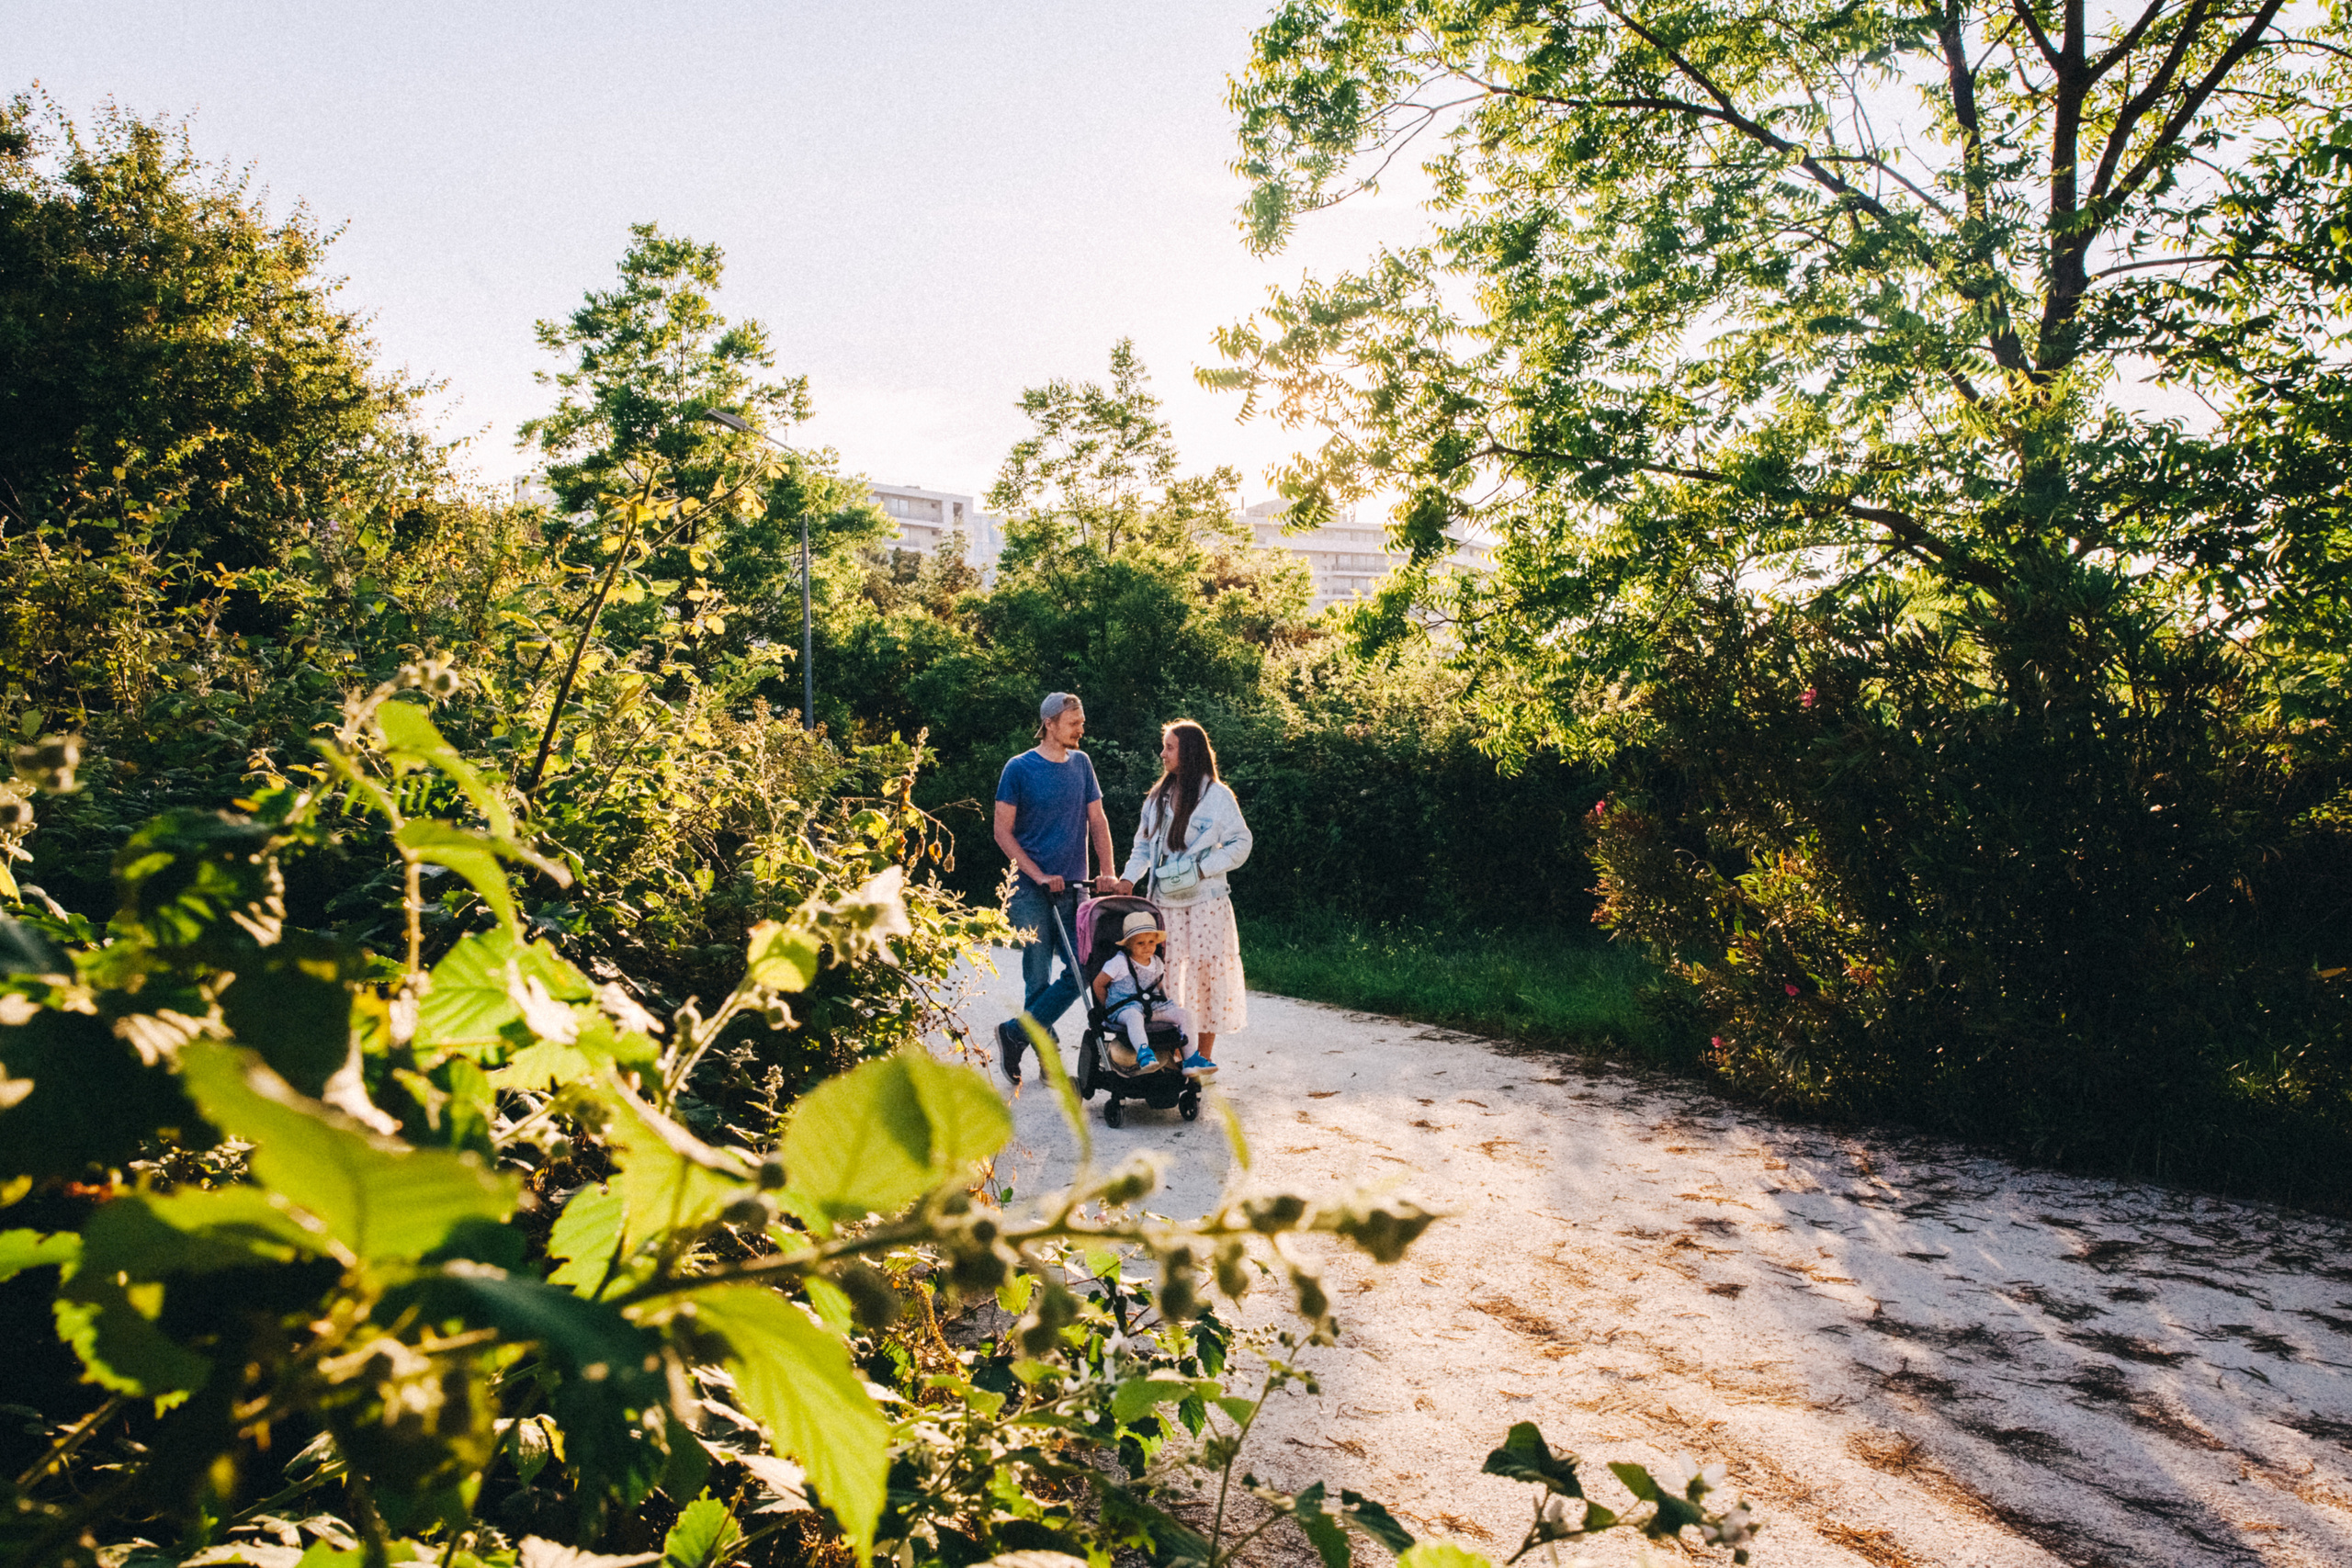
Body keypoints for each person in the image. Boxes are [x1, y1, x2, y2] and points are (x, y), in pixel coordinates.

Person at [992, 692, 1120, 1083]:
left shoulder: (1082, 764)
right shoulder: (1019, 769)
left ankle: (1014, 1034)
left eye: (1081, 722)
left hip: (1076, 889)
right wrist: (1038, 875)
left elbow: (1097, 820)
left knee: (1084, 968)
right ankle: (1048, 1063)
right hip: (1030, 890)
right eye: (1073, 723)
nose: (1081, 729)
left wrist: (1108, 871)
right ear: (1049, 724)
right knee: (1037, 977)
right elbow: (1002, 832)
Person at [1119, 719, 1251, 1077]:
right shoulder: (1157, 798)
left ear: (1189, 752)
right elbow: (1143, 847)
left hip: (1207, 902)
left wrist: (1205, 867)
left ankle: (1201, 1057)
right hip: (1166, 903)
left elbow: (1242, 842)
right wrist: (1128, 880)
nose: (1162, 754)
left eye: (1169, 747)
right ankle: (1174, 1056)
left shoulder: (1218, 797)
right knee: (1165, 977)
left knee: (1208, 975)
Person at [1092, 911, 1191, 1073]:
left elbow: (1159, 987)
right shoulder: (1119, 962)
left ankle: (1191, 1059)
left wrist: (1167, 1005)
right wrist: (1108, 1007)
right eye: (1140, 943)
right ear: (1129, 944)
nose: (1147, 947)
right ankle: (1144, 1054)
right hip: (1125, 1009)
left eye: (1151, 942)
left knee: (1185, 1015)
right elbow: (1098, 984)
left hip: (1151, 1007)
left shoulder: (1157, 962)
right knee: (1134, 1016)